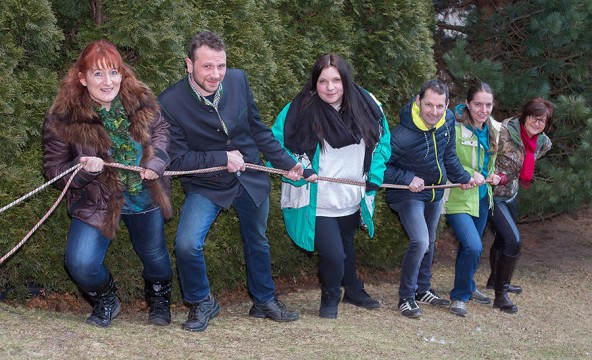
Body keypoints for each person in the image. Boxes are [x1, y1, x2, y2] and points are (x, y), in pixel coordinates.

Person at [157, 31, 303, 332]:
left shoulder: (238, 80)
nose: (216, 74)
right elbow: (177, 161)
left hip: (251, 176)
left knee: (258, 241)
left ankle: (264, 300)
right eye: (207, 67)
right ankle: (202, 302)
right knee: (186, 244)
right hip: (207, 184)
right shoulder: (169, 102)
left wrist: (288, 164)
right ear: (189, 65)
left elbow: (258, 130)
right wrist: (221, 157)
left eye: (221, 66)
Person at [43, 40, 174, 328]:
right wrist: (83, 172)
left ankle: (159, 299)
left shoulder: (140, 99)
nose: (108, 81)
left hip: (145, 197)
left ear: (122, 73)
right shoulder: (61, 118)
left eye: (113, 72)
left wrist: (157, 161)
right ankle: (106, 300)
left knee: (154, 255)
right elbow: (53, 171)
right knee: (79, 263)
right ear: (82, 77)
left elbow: (163, 131)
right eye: (98, 74)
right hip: (97, 202)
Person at [271, 54, 391, 319]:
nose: (330, 87)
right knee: (334, 254)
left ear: (345, 80)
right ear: (315, 83)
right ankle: (330, 295)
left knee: (346, 244)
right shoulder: (299, 109)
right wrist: (299, 168)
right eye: (323, 81)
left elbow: (383, 141)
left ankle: (352, 289)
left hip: (351, 195)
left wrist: (376, 173)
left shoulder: (368, 104)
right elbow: (275, 144)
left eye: (336, 80)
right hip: (316, 198)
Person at [384, 79, 475, 318]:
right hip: (407, 194)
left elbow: (449, 155)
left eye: (439, 106)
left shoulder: (448, 121)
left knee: (431, 240)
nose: (434, 112)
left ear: (447, 106)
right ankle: (406, 297)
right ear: (418, 101)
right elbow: (379, 168)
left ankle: (422, 290)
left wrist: (464, 177)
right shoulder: (401, 136)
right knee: (421, 241)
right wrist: (407, 178)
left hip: (435, 192)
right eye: (429, 105)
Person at [488, 97, 554, 313]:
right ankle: (501, 295)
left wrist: (512, 178)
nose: (537, 123)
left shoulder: (542, 142)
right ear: (525, 115)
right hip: (492, 194)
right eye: (534, 117)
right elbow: (485, 158)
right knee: (513, 240)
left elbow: (528, 161)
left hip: (511, 194)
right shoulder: (503, 132)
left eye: (542, 121)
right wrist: (495, 176)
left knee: (502, 238)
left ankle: (495, 279)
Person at [443, 82, 502, 317]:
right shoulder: (455, 127)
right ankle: (459, 296)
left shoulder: (494, 129)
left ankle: (467, 285)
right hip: (458, 196)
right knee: (473, 245)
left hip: (481, 197)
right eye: (478, 104)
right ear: (468, 103)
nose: (483, 109)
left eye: (488, 105)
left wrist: (492, 175)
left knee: (471, 249)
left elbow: (488, 163)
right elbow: (448, 159)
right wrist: (467, 173)